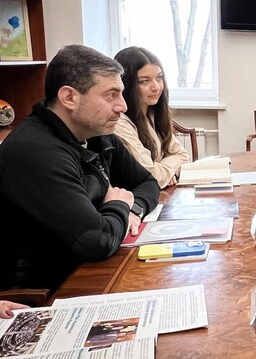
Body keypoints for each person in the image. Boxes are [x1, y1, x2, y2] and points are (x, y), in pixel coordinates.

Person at [0, 44, 160, 292]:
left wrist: (132, 210)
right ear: (69, 97)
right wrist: (118, 205)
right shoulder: (35, 151)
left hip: (87, 270)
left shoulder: (95, 133)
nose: (123, 106)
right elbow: (97, 241)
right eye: (111, 95)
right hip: (44, 293)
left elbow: (147, 182)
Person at [113, 46, 190, 188]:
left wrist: (164, 171)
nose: (156, 87)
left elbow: (183, 155)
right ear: (126, 84)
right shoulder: (119, 123)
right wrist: (168, 171)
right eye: (144, 81)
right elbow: (150, 175)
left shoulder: (153, 113)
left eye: (159, 78)